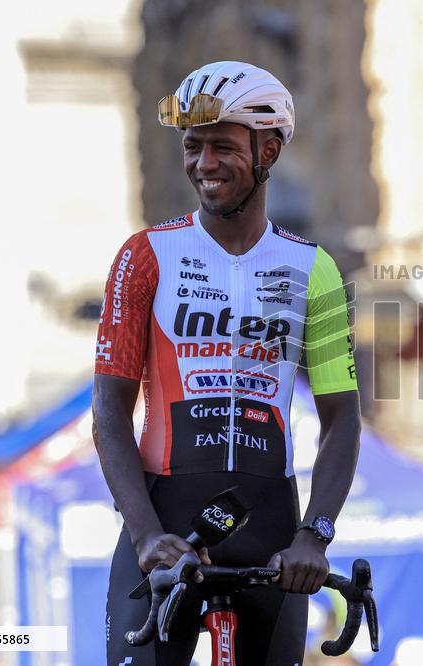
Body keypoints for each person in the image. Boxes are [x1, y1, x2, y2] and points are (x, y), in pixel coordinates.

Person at [93, 61, 361, 665]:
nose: (204, 165)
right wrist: (143, 534)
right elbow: (109, 411)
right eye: (192, 147)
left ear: (269, 149)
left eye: (221, 147)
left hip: (272, 528)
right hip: (165, 522)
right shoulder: (146, 256)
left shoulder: (313, 270)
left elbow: (342, 418)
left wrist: (314, 533)